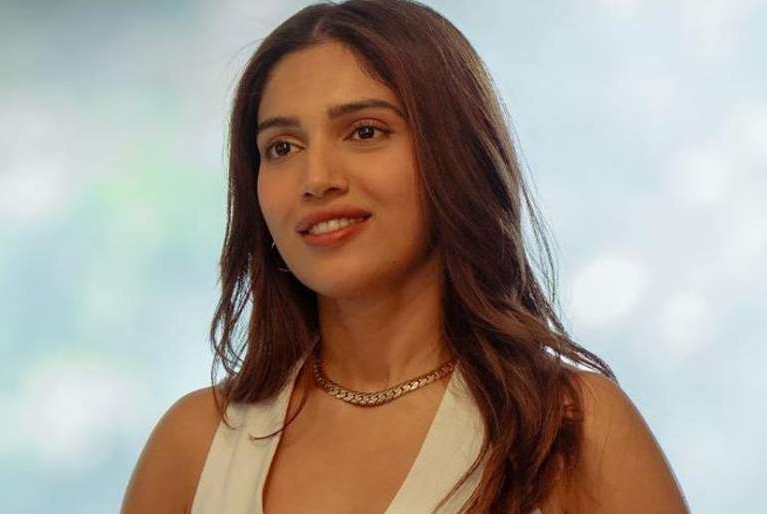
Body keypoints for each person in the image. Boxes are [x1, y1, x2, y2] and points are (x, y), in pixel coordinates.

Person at [121, 1, 691, 513]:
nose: (316, 179)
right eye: (282, 147)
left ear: (455, 154)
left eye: (365, 132)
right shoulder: (192, 447)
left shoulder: (570, 430)